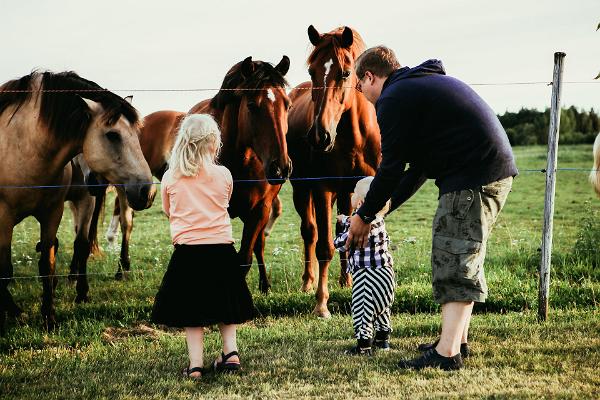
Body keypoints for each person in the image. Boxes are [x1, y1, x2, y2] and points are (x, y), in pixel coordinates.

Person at [348, 46, 517, 370]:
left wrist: (364, 216)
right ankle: (456, 341)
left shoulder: (394, 98)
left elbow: (392, 167)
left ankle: (447, 354)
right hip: (487, 170)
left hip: (473, 176)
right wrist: (385, 209)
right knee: (460, 252)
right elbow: (419, 167)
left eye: (359, 85)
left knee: (454, 256)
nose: (362, 93)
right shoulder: (415, 89)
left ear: (370, 76)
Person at [151, 114, 256, 380]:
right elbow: (225, 202)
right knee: (226, 306)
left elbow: (168, 210)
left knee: (192, 312)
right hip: (222, 248)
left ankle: (195, 366)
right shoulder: (224, 174)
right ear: (214, 144)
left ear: (182, 141)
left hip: (188, 252)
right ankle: (230, 353)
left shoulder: (171, 177)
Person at [334, 177, 396, 356]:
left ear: (360, 202)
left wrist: (334, 241)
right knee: (382, 309)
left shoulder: (361, 229)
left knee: (362, 310)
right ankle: (383, 341)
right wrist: (346, 219)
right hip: (385, 273)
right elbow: (357, 219)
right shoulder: (379, 222)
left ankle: (363, 347)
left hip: (365, 276)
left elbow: (344, 243)